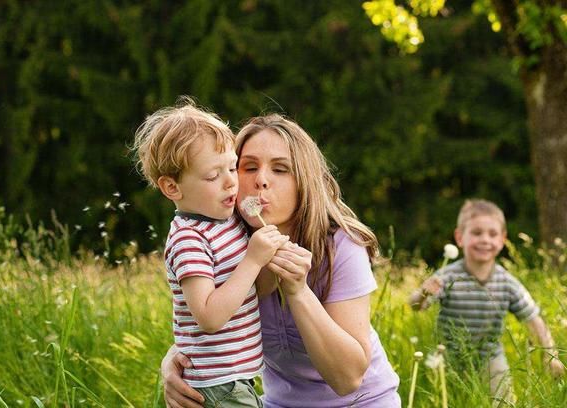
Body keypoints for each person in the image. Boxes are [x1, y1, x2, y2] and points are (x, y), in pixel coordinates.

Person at [162, 114, 401, 407]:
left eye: (281, 169)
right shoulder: (223, 244)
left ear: (304, 180)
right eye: (248, 167)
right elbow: (209, 317)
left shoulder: (341, 245)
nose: (261, 180)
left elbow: (347, 379)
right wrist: (173, 361)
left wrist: (298, 290)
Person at [134, 101, 289, 407]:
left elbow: (259, 288)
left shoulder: (228, 221)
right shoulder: (188, 239)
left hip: (238, 378)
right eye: (212, 176)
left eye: (232, 167)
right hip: (217, 385)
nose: (231, 181)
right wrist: (254, 259)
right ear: (172, 187)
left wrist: (270, 255)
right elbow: (208, 317)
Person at [409, 199, 565, 406]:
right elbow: (415, 305)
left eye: (492, 234)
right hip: (448, 355)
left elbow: (533, 318)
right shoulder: (447, 276)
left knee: (504, 402)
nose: (485, 239)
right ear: (459, 237)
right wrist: (423, 293)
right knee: (448, 401)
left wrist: (550, 354)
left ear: (502, 240)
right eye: (476, 233)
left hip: (491, 357)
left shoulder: (507, 282)